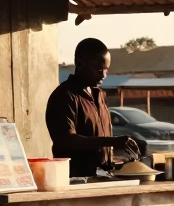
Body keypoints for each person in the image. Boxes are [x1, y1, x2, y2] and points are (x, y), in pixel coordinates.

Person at [46, 38, 142, 176]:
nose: (103, 75)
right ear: (79, 64)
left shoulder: (100, 95)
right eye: (98, 69)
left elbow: (100, 137)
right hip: (76, 180)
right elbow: (66, 139)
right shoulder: (64, 96)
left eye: (106, 70)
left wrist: (126, 143)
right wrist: (112, 142)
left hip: (103, 176)